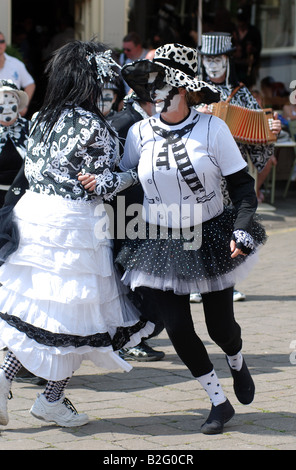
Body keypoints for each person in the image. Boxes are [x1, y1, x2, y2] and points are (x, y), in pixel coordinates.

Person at [81, 43, 267, 435]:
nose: (153, 95)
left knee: (221, 328)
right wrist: (100, 183)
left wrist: (243, 229)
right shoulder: (138, 133)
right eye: (149, 87)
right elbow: (127, 177)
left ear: (181, 89)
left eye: (161, 85)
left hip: (211, 234)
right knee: (178, 326)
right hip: (159, 239)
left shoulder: (213, 128)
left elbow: (243, 188)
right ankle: (218, 402)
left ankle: (236, 360)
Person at [0, 39, 154, 428]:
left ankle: (12, 385)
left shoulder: (40, 118)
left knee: (44, 315)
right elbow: (101, 185)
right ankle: (45, 397)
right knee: (75, 323)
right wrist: (135, 174)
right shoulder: (94, 127)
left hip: (34, 219)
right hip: (75, 228)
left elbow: (34, 172)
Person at [198, 32, 281, 301]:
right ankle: (196, 282)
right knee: (198, 225)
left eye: (218, 59)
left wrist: (271, 131)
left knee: (228, 225)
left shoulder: (242, 93)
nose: (212, 64)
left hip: (230, 172)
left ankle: (227, 285)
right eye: (207, 59)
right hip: (199, 169)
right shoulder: (193, 91)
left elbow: (259, 137)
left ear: (227, 60)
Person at [108, 92, 165, 362]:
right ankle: (130, 338)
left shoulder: (144, 120)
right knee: (134, 279)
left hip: (146, 211)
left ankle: (134, 335)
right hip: (127, 213)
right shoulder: (125, 122)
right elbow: (113, 169)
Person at [0, 80, 29, 207]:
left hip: (25, 197)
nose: (6, 108)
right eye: (1, 104)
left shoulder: (31, 128)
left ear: (18, 104)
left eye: (11, 102)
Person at [0, 32, 35, 116]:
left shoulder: (16, 63)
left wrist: (24, 105)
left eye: (2, 41)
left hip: (12, 116)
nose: (0, 45)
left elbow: (30, 84)